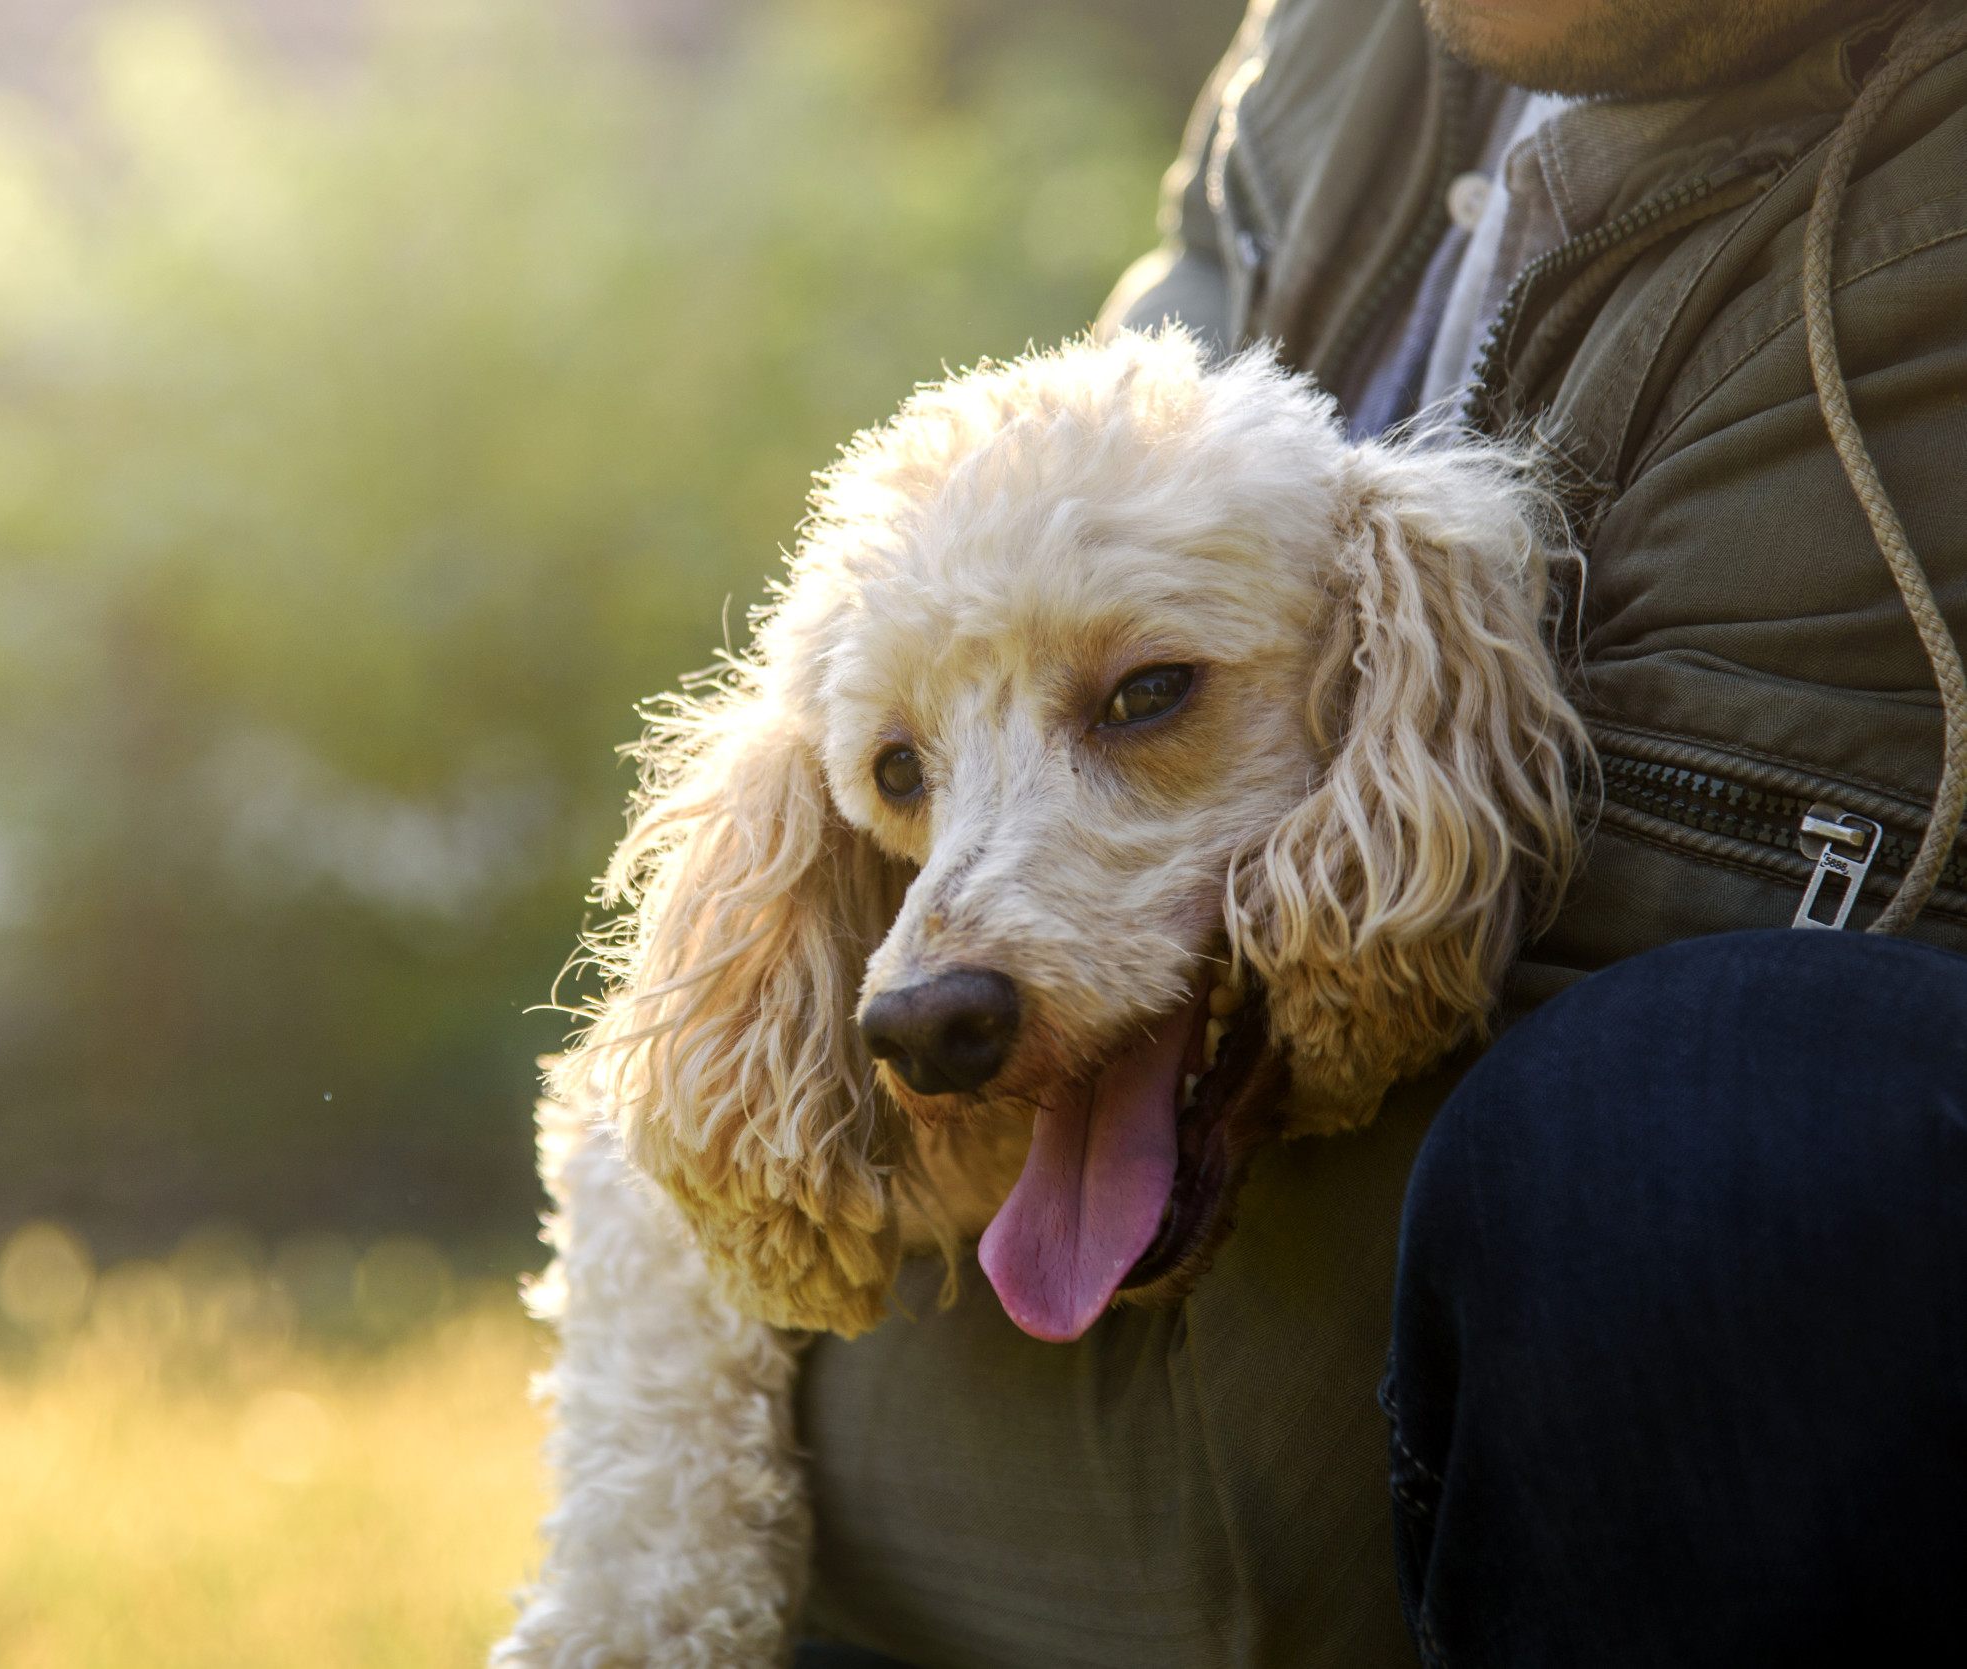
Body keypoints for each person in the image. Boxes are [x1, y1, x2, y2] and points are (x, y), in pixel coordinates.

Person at [793, 1, 1967, 1663]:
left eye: (1146, 699)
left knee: (1706, 1100)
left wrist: (780, 1403)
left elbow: (1509, 1129)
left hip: (1649, 1311)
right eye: (905, 775)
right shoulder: (1330, 43)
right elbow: (1010, 556)